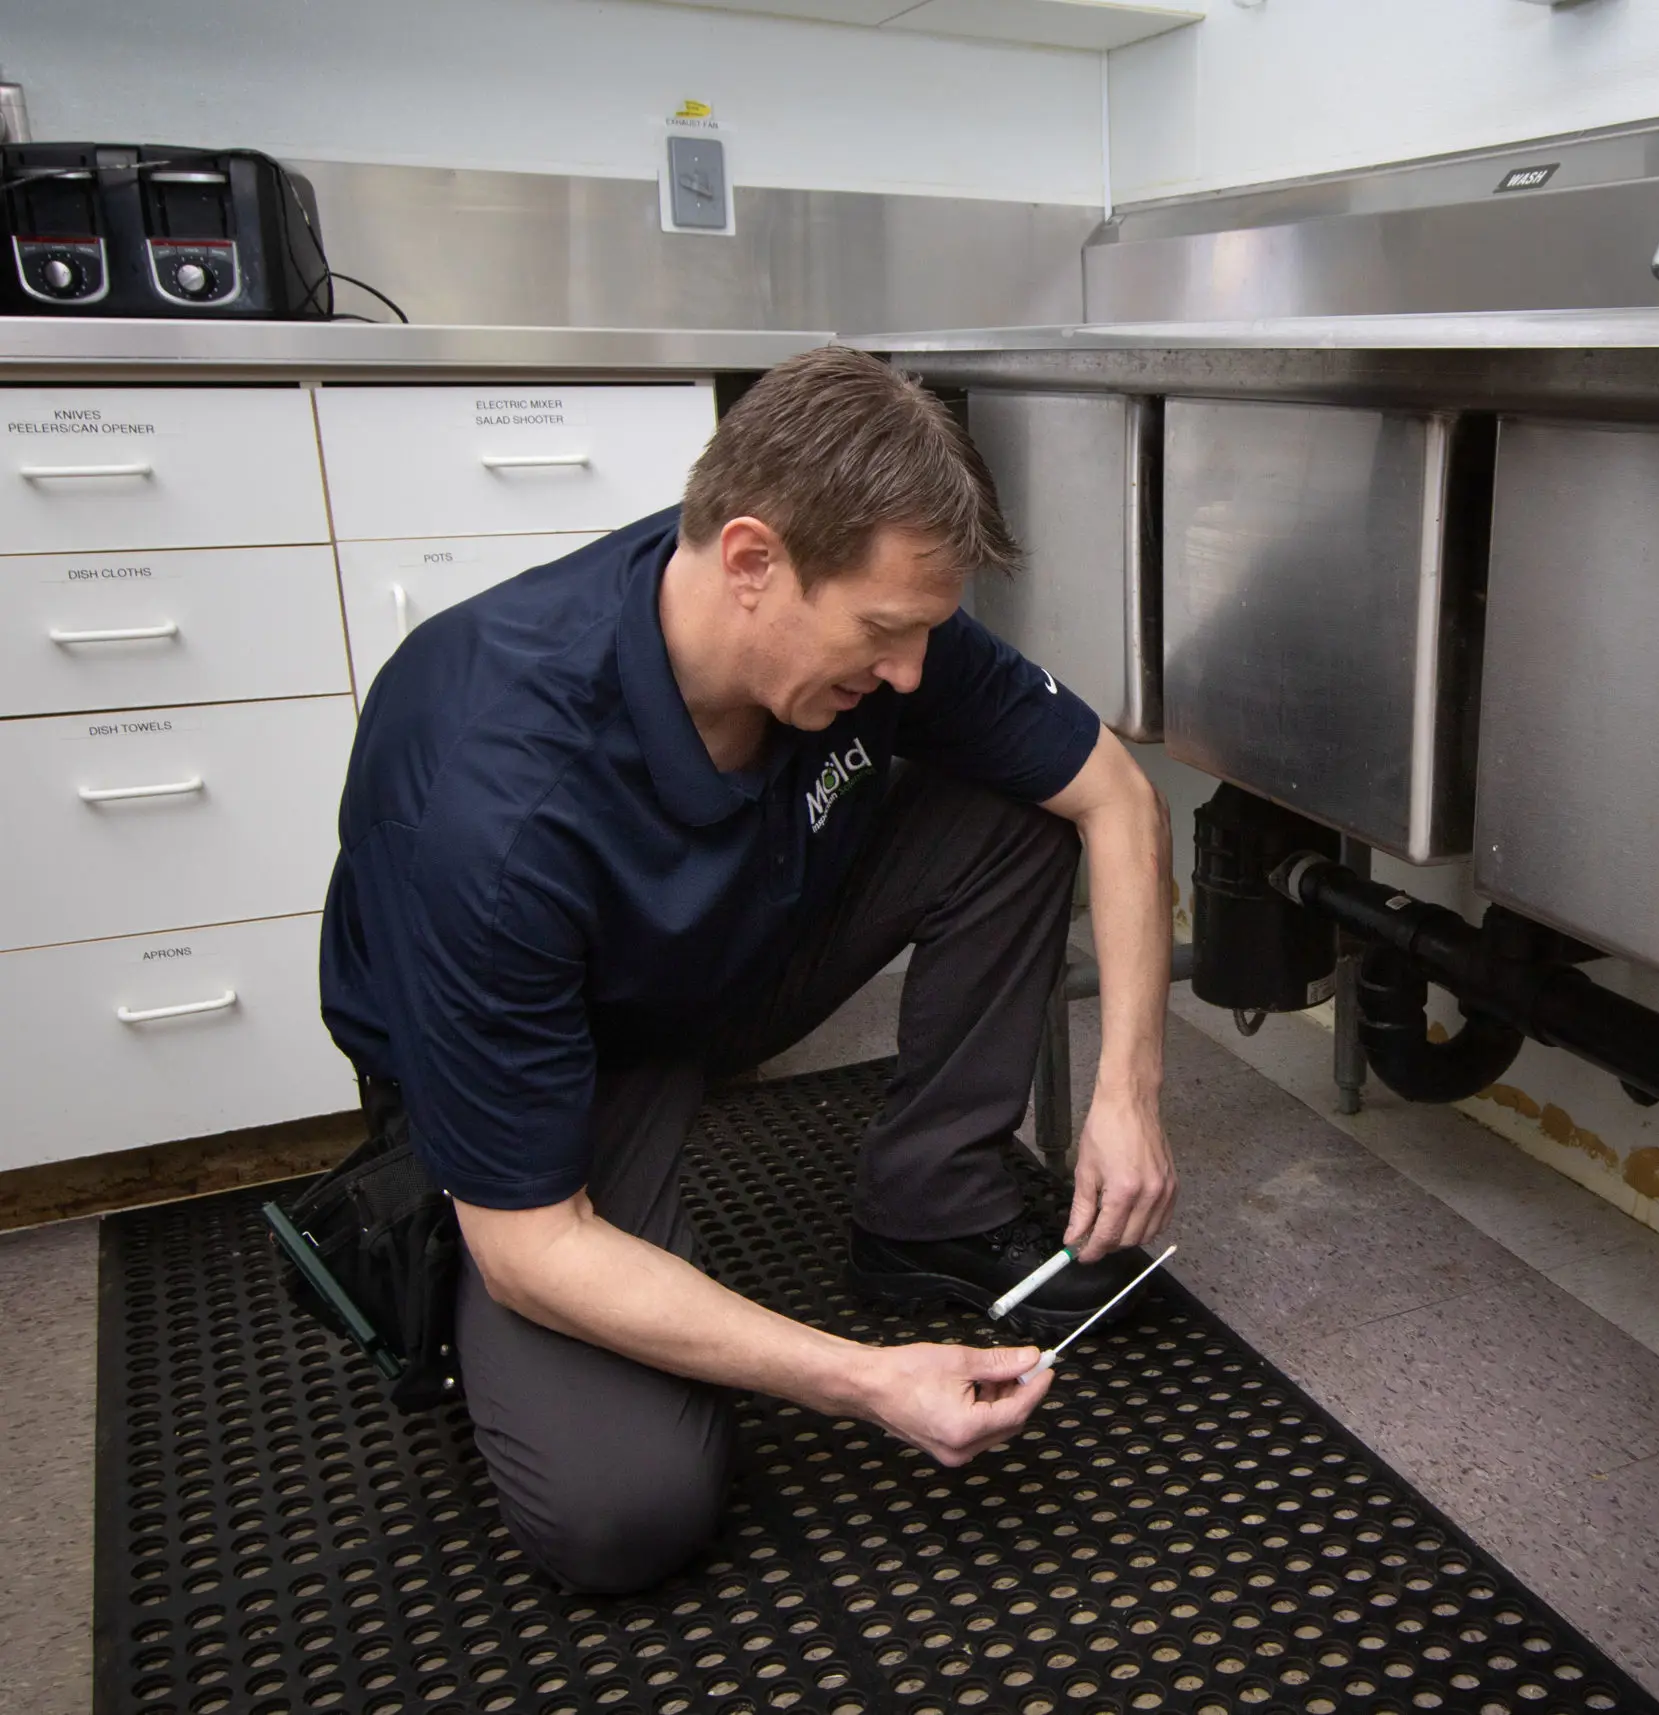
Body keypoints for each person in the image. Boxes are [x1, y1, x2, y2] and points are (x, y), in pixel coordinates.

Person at [317, 346, 1176, 1594]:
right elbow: (532, 1248)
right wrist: (864, 1378)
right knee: (623, 1512)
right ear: (752, 563)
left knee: (1024, 805)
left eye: (925, 632)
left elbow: (1118, 797)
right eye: (885, 633)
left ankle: (929, 1207)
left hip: (721, 949)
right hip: (563, 1060)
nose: (912, 673)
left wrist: (1127, 1089)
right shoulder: (495, 803)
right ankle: (441, 1268)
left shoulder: (869, 621)